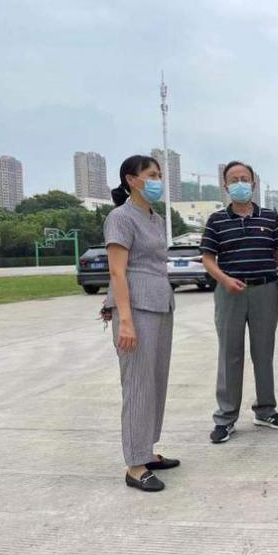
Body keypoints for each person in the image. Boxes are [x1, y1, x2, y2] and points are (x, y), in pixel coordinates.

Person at [201, 161, 278, 444]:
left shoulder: (270, 218)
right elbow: (208, 258)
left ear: (253, 184)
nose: (240, 183)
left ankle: (265, 410)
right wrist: (224, 279)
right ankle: (225, 417)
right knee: (230, 354)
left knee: (263, 352)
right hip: (229, 293)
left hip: (265, 290)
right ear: (225, 185)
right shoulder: (216, 221)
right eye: (234, 179)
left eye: (245, 178)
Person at [104, 155, 179, 492]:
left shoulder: (155, 218)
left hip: (160, 304)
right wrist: (125, 321)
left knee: (155, 382)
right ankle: (135, 465)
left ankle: (146, 450)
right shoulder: (120, 218)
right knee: (137, 384)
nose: (157, 180)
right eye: (151, 175)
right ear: (131, 180)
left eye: (159, 174)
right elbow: (117, 271)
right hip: (135, 309)